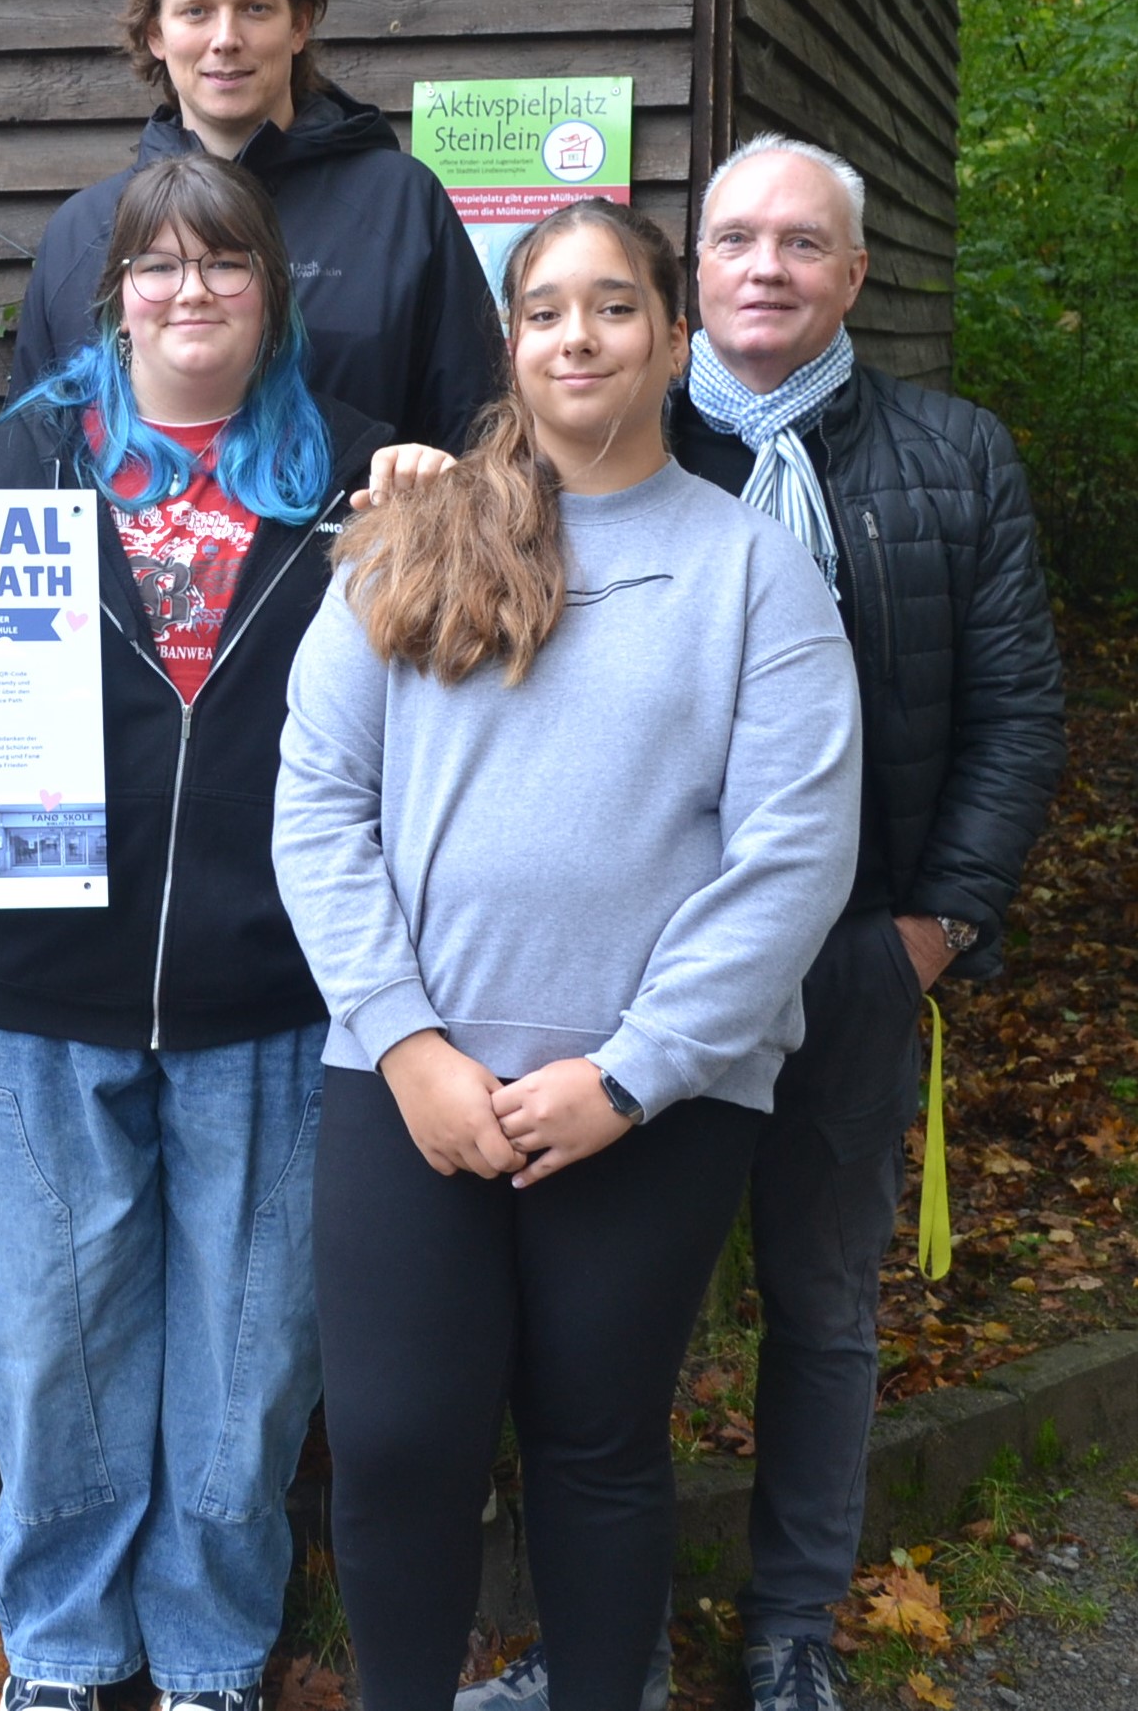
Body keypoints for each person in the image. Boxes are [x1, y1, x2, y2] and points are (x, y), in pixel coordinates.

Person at [457, 144, 1068, 1711]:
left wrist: (929, 931)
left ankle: (792, 1623)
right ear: (685, 291)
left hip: (856, 958)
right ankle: (603, 1642)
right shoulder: (596, 460)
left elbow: (1016, 713)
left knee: (818, 1303)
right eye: (733, 238)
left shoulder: (955, 455)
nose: (766, 266)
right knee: (598, 1325)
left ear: (855, 277)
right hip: (615, 991)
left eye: (804, 243)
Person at [273, 200, 865, 1711]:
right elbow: (317, 800)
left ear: (673, 340)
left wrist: (633, 1070)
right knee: (401, 1438)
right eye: (546, 309)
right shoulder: (413, 540)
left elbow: (792, 851)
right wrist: (406, 1040)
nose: (579, 336)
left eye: (615, 308)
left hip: (648, 1099)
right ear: (512, 342)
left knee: (597, 1439)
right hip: (411, 1081)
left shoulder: (752, 573)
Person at [0, 154, 376, 1711]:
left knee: (250, 1353)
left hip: (273, 989)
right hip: (40, 983)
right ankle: (60, 1648)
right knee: (53, 1347)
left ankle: (207, 1650)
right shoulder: (23, 457)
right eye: (159, 267)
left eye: (225, 265)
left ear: (273, 294)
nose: (192, 293)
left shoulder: (350, 483)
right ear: (112, 294)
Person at [9, 0, 498, 451]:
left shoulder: (401, 206)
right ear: (156, 35)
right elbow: (33, 455)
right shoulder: (83, 231)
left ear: (299, 26)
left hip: (364, 539)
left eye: (255, 7)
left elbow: (479, 437)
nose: (225, 38)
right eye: (196, 11)